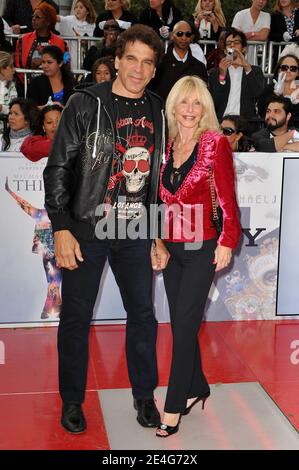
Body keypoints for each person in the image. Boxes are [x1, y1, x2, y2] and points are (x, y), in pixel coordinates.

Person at [43, 24, 166, 434]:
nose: (138, 68)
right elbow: (58, 168)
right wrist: (61, 227)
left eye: (147, 62)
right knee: (76, 316)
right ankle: (73, 400)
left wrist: (156, 233)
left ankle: (144, 395)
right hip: (86, 229)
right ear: (116, 61)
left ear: (153, 70)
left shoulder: (158, 109)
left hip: (134, 231)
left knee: (144, 315)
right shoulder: (84, 103)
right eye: (131, 58)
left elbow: (156, 180)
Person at [153, 75, 240, 437]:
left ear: (205, 108)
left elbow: (227, 198)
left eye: (197, 103)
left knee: (184, 328)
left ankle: (173, 407)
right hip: (172, 249)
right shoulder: (165, 145)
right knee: (181, 324)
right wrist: (156, 241)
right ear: (173, 107)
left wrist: (227, 242)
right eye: (183, 103)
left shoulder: (215, 144)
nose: (189, 110)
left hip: (203, 247)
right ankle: (196, 386)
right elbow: (157, 201)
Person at [5, 177, 62, 319]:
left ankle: (53, 308)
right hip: (48, 255)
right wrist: (10, 192)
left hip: (61, 252)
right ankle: (53, 308)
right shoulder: (41, 215)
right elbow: (23, 204)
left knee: (55, 281)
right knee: (53, 280)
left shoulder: (62, 216)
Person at [209, 28, 265, 121]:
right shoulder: (216, 72)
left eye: (236, 42)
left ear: (243, 49)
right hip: (222, 120)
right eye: (228, 43)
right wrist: (222, 76)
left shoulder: (254, 71)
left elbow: (257, 93)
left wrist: (247, 67)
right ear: (225, 50)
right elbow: (215, 102)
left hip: (246, 121)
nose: (232, 45)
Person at [150, 20, 208, 101]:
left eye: (188, 34)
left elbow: (203, 95)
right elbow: (152, 93)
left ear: (191, 38)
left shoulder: (199, 67)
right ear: (172, 36)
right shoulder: (160, 64)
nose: (184, 38)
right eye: (179, 34)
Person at [258, 54, 299, 127]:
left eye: (293, 68)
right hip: (273, 132)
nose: (288, 71)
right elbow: (262, 111)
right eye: (285, 68)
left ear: (297, 73)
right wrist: (276, 94)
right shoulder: (269, 89)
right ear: (279, 70)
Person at [56, 0, 96, 70]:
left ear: (87, 11)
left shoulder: (92, 25)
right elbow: (58, 18)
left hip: (86, 59)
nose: (78, 9)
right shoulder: (69, 20)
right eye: (76, 7)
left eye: (81, 7)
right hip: (71, 58)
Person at [231, 0, 270, 65]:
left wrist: (249, 35)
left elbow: (264, 36)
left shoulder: (266, 16)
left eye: (264, 0)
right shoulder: (240, 14)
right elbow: (235, 37)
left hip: (255, 61)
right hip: (236, 58)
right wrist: (257, 34)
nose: (261, 1)